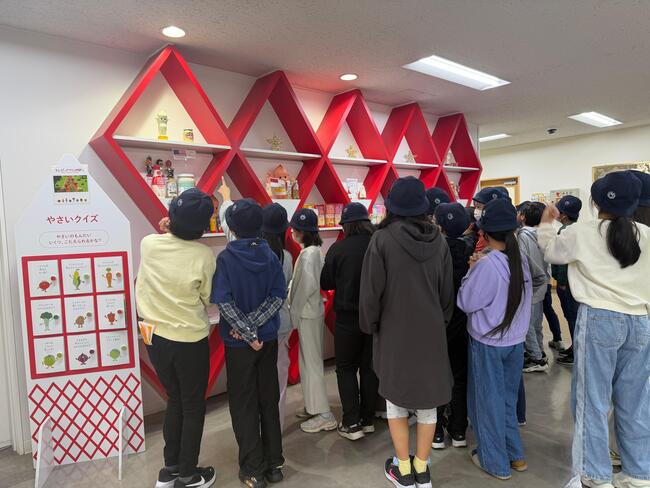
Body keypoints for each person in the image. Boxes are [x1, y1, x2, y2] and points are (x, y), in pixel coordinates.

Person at [538, 171, 650, 488]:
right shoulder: (645, 233)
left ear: (596, 202)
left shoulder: (582, 232)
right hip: (639, 320)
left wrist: (547, 223)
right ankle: (639, 473)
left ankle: (594, 476)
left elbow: (550, 251)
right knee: (636, 401)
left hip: (600, 318)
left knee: (592, 401)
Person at [360, 176, 454, 488]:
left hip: (394, 333)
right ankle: (422, 470)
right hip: (431, 333)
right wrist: (438, 322)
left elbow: (371, 293)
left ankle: (402, 470)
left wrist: (370, 325)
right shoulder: (439, 241)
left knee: (395, 401)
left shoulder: (381, 239)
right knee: (429, 404)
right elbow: (446, 294)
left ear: (392, 207)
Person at [136, 188, 217, 488]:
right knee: (193, 405)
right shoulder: (203, 255)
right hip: (189, 339)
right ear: (203, 227)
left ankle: (170, 469)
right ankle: (188, 474)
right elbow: (208, 297)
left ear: (170, 216)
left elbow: (165, 234)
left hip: (154, 337)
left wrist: (170, 226)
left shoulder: (148, 244)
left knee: (175, 400)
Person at [211, 199, 287, 488]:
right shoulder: (271, 256)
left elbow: (223, 302)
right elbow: (278, 297)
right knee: (268, 398)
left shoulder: (226, 259)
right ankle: (274, 464)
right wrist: (255, 330)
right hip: (267, 340)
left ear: (232, 228)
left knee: (243, 404)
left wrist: (246, 331)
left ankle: (253, 469)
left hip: (239, 344)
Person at [457, 198, 532, 481]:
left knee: (486, 402)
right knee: (507, 400)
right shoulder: (520, 260)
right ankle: (515, 454)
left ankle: (495, 462)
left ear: (485, 232)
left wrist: (471, 271)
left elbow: (466, 302)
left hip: (488, 343)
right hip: (515, 341)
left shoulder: (487, 265)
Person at [320, 202, 379, 441]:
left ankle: (351, 422)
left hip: (346, 317)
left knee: (345, 368)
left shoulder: (338, 248)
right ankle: (367, 419)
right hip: (374, 316)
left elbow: (326, 282)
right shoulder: (377, 245)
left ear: (345, 225)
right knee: (369, 368)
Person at [289, 208, 337, 433]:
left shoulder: (308, 255)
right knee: (308, 361)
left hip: (307, 312)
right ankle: (313, 405)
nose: (292, 233)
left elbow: (303, 288)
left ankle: (324, 413)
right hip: (310, 311)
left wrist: (293, 313)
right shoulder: (315, 251)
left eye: (294, 230)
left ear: (301, 232)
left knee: (312, 363)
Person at [431, 203, 473, 451]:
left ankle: (436, 431)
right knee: (459, 376)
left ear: (438, 225)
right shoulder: (471, 252)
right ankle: (458, 429)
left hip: (437, 323)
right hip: (463, 322)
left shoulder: (432, 253)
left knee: (435, 375)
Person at [261, 203, 294, 432]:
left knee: (258, 381)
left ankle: (260, 428)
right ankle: (276, 429)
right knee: (279, 380)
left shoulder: (255, 254)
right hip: (281, 323)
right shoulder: (287, 257)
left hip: (258, 327)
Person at [517, 202, 552, 373]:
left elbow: (523, 260)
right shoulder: (542, 234)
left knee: (527, 324)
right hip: (542, 282)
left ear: (523, 216)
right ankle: (539, 351)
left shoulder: (523, 236)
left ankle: (536, 358)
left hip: (530, 283)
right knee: (536, 322)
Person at [551, 195, 582, 366]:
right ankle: (574, 347)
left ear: (563, 215)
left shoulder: (565, 231)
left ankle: (577, 351)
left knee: (571, 316)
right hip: (575, 281)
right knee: (573, 316)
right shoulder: (579, 229)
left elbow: (563, 259)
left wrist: (561, 282)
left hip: (567, 283)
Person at [472, 187, 511, 253]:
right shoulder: (482, 227)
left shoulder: (493, 233)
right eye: (475, 207)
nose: (476, 210)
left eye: (478, 207)